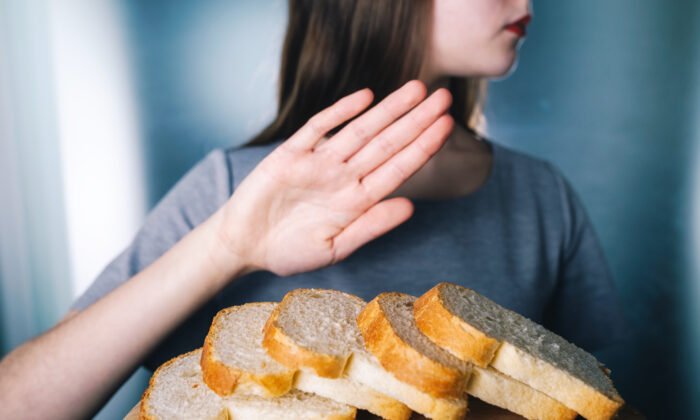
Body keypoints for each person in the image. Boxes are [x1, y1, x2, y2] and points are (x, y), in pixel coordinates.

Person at [0, 1, 633, 419]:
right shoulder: (235, 187)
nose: (525, 2)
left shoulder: (542, 196)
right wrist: (227, 247)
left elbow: (613, 401)